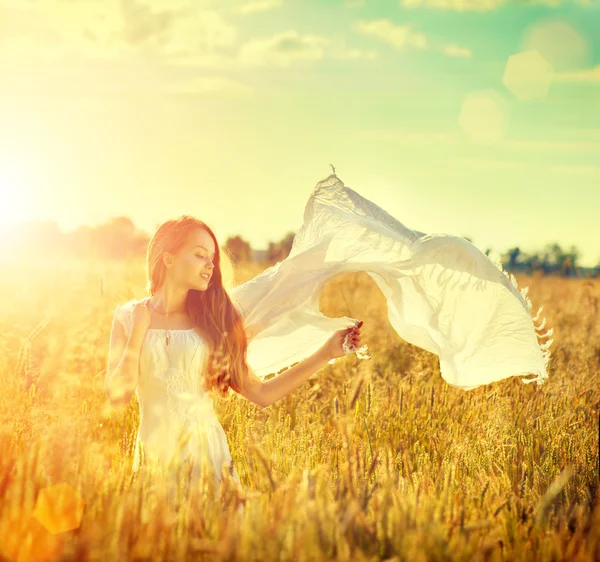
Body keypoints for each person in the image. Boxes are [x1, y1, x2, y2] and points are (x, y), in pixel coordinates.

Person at [105, 172, 553, 511]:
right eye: (198, 255)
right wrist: (140, 331)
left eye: (212, 257)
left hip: (207, 456)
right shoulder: (128, 317)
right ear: (167, 257)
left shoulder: (217, 320)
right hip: (153, 459)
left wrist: (326, 352)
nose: (209, 266)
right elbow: (117, 395)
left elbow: (259, 393)